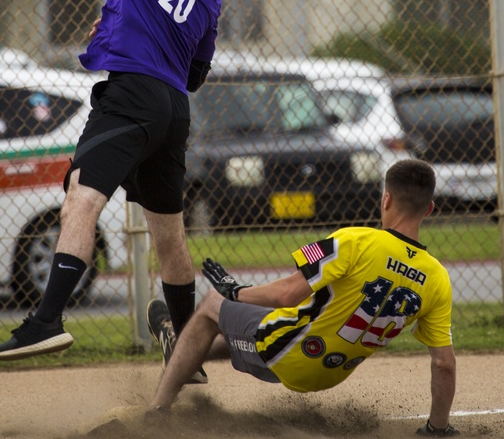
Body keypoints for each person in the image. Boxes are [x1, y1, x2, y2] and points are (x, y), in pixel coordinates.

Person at [0, 0, 231, 378]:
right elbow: (195, 76)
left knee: (81, 199)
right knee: (169, 233)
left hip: (131, 97)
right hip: (173, 109)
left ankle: (47, 319)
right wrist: (132, 33)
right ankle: (190, 352)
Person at [148, 159, 460, 437]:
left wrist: (236, 291)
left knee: (212, 306)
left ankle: (158, 411)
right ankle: (187, 355)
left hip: (288, 354)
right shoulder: (437, 278)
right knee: (248, 327)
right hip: (331, 374)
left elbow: (287, 294)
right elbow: (444, 363)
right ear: (429, 209)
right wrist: (438, 427)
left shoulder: (355, 240)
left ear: (387, 198)